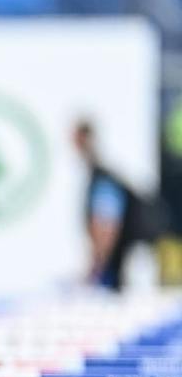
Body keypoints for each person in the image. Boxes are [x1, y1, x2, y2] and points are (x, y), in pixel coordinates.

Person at [74, 119, 154, 292]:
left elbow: (107, 226)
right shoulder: (101, 176)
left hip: (117, 267)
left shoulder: (103, 179)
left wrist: (96, 266)